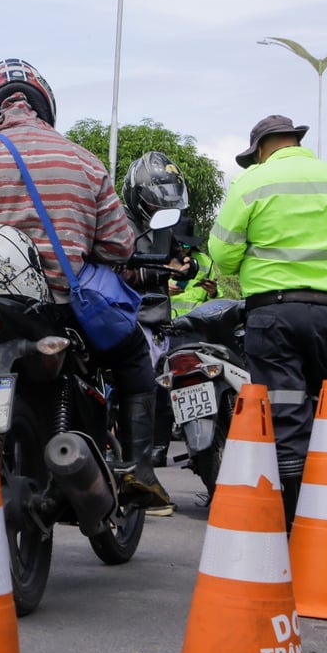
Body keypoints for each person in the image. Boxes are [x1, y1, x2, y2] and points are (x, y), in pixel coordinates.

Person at [0, 58, 174, 516]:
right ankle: (137, 467)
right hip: (57, 312)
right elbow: (118, 245)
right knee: (134, 354)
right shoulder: (84, 161)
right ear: (45, 108)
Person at [208, 114, 327, 546]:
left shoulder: (252, 183)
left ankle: (291, 526)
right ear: (295, 141)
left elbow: (223, 255)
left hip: (273, 315)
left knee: (284, 415)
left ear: (261, 148)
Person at [118, 151, 197, 494]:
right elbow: (114, 271)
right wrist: (159, 270)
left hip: (161, 326)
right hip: (127, 325)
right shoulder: (119, 226)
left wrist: (188, 267)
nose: (159, 210)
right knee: (134, 395)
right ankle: (132, 471)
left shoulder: (165, 225)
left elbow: (183, 260)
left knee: (160, 400)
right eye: (153, 204)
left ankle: (148, 463)